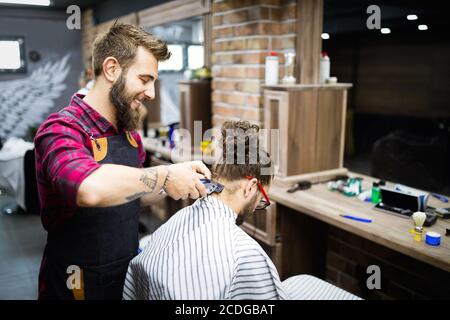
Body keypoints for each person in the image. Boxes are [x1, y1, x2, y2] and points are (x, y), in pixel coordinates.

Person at [34, 23, 211, 300]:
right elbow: (88, 188)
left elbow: (135, 195)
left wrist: (175, 183)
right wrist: (164, 175)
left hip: (124, 276)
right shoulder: (61, 130)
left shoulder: (129, 135)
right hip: (76, 284)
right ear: (112, 68)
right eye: (144, 79)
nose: (152, 92)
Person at [123, 121, 361, 300]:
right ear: (251, 187)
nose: (258, 207)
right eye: (262, 200)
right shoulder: (245, 255)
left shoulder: (178, 220)